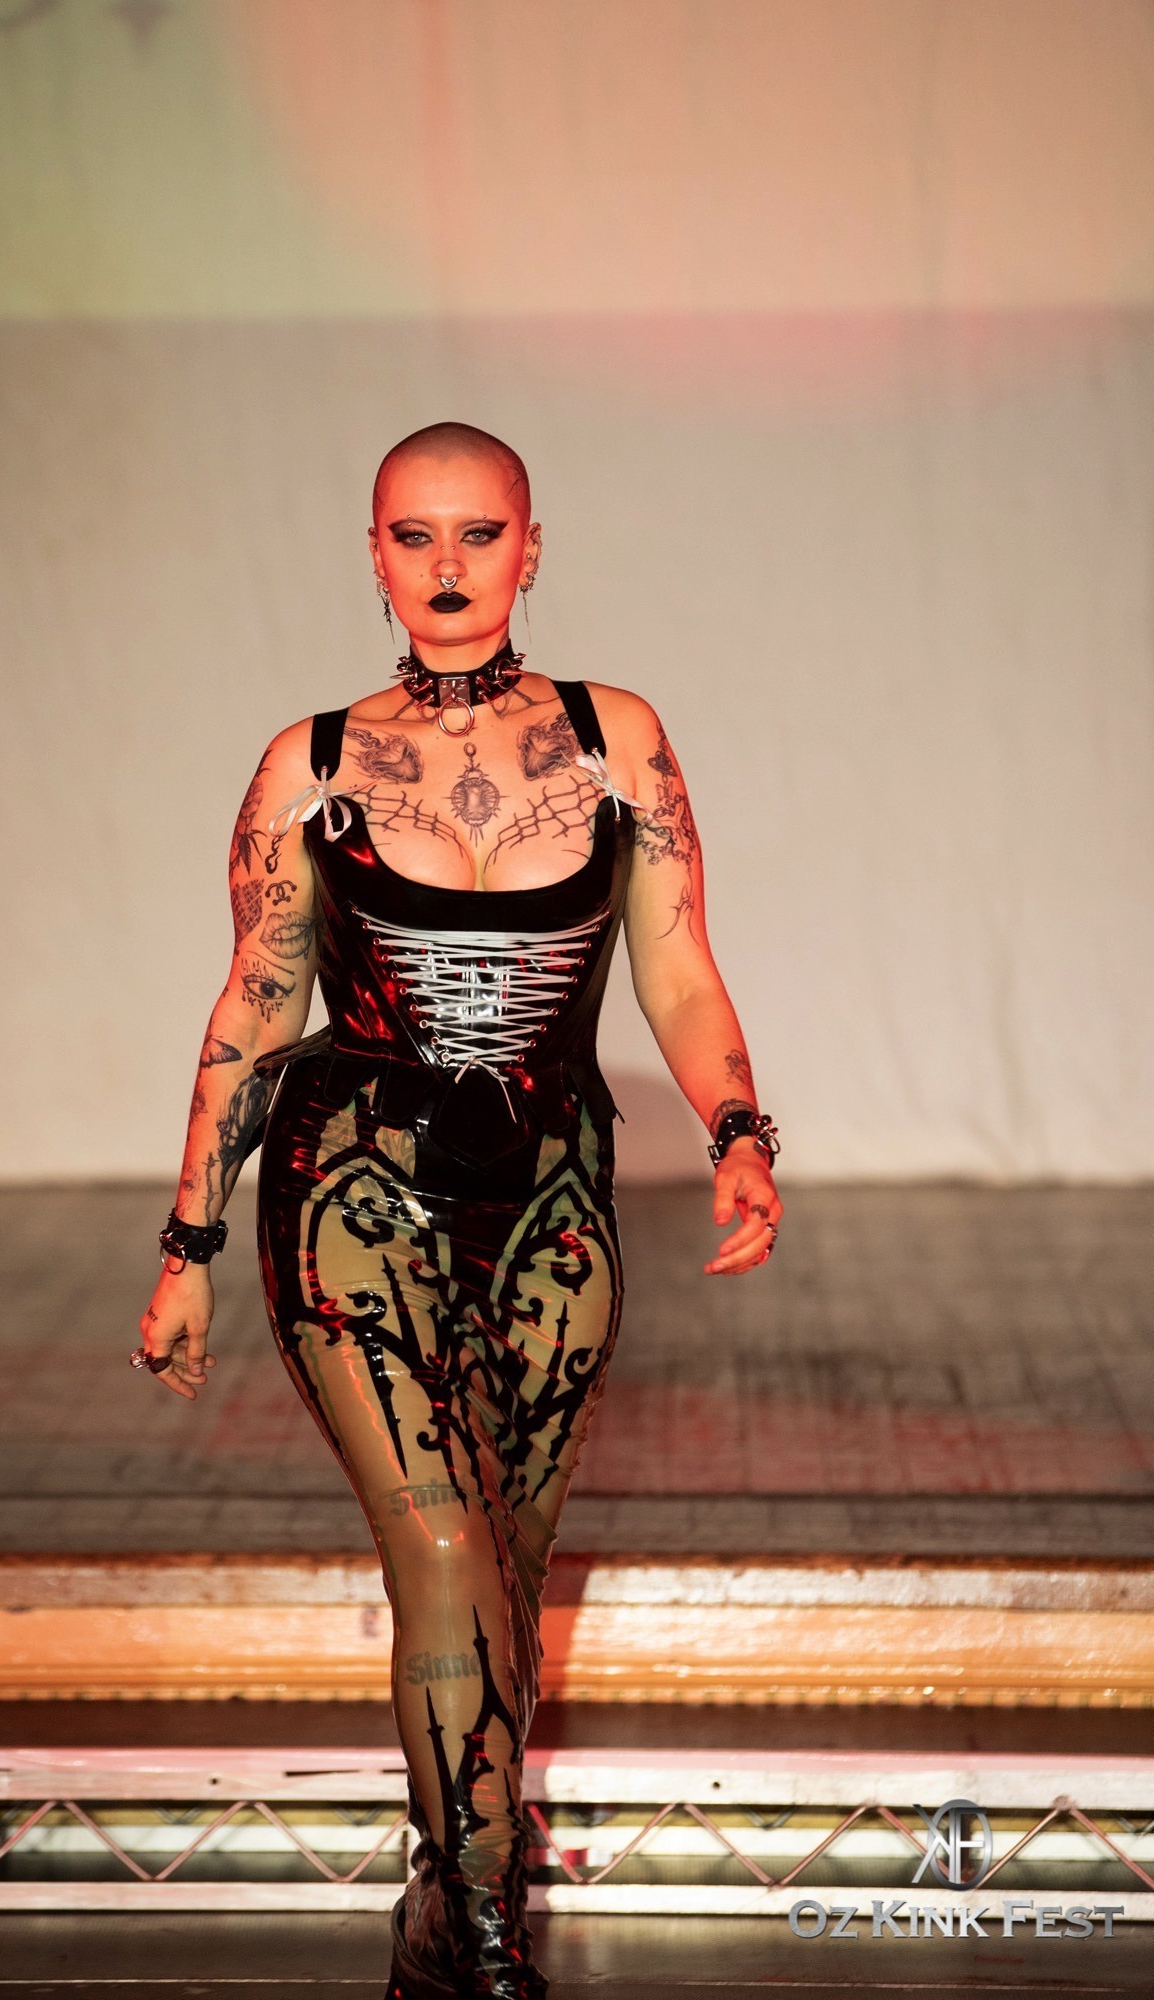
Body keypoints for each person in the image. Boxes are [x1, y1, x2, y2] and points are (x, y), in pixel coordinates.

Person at [133, 422, 782, 1999]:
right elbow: (254, 1005)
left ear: (529, 549)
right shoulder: (310, 768)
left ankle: (454, 1887)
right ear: (373, 555)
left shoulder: (617, 743)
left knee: (506, 1566)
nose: (445, 566)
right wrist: (188, 1244)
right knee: (437, 1545)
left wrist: (739, 1132)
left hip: (551, 1199)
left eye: (478, 535)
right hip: (348, 1191)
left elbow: (678, 969)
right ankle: (480, 1923)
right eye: (413, 536)